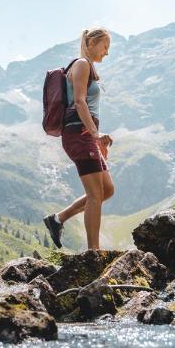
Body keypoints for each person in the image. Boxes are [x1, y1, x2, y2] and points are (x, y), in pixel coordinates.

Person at [43, 28, 114, 250]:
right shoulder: (82, 64)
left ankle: (57, 219)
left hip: (86, 135)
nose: (106, 52)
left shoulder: (88, 67)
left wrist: (97, 140)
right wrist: (95, 135)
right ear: (92, 42)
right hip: (79, 134)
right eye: (105, 47)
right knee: (95, 194)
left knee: (107, 190)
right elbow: (81, 102)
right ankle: (94, 252)